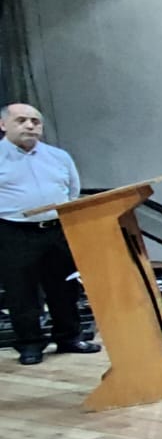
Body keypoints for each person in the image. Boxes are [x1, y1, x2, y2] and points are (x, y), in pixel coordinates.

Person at [0, 102, 101, 366]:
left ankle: (69, 337)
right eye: (22, 120)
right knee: (21, 292)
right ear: (3, 124)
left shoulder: (58, 156)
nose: (30, 125)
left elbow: (72, 191)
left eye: (36, 121)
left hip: (56, 230)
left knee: (65, 288)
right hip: (14, 232)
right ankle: (30, 344)